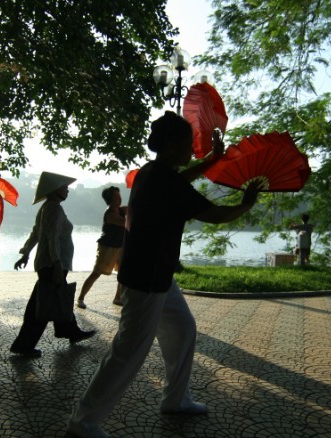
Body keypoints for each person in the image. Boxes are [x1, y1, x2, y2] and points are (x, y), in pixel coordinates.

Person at [67, 111, 260, 437]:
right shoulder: (164, 180)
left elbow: (182, 179)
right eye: (188, 144)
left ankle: (175, 399)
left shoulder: (152, 172)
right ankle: (83, 421)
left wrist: (212, 160)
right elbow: (216, 214)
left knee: (183, 329)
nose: (191, 150)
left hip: (156, 275)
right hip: (147, 280)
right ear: (172, 146)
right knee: (128, 352)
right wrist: (247, 203)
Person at [9, 171, 96, 358]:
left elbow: (36, 233)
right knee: (42, 305)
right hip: (52, 264)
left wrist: (25, 253)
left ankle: (70, 330)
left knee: (56, 297)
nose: (67, 191)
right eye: (64, 188)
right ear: (55, 190)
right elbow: (51, 237)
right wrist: (57, 263)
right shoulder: (54, 209)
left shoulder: (47, 207)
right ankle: (25, 344)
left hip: (49, 263)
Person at [76, 186, 126, 309]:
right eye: (116, 197)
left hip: (119, 246)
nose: (119, 199)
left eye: (119, 196)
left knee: (122, 272)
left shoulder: (119, 210)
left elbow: (130, 210)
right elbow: (125, 222)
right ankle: (81, 298)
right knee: (97, 273)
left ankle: (118, 297)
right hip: (107, 248)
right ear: (110, 200)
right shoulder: (110, 214)